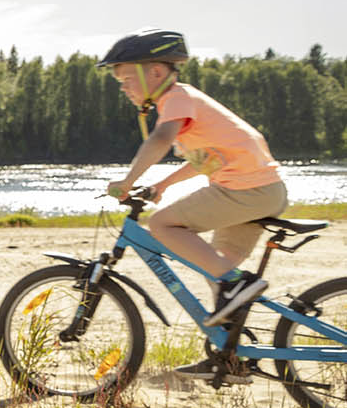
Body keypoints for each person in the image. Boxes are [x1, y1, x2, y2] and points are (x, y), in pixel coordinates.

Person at [100, 30, 288, 341]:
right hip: (262, 192)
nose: (123, 88)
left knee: (162, 224)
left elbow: (160, 138)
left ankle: (238, 286)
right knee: (218, 267)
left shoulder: (176, 98)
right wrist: (161, 185)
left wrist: (127, 181)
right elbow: (206, 161)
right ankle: (229, 355)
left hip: (246, 191)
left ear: (156, 72)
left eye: (127, 80)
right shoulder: (186, 101)